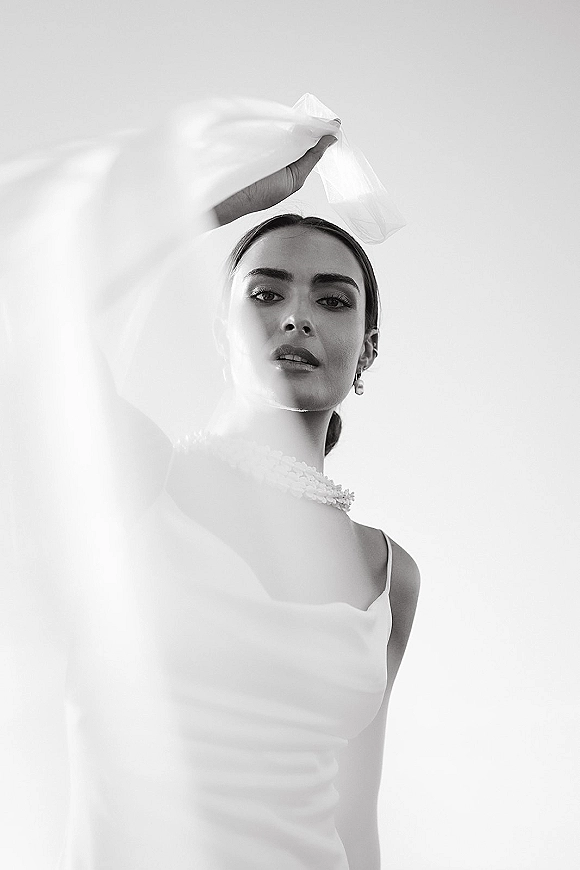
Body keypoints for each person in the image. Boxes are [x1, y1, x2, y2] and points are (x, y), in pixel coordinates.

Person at [2, 100, 420, 869]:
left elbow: (356, 823)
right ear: (220, 333)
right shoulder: (142, 476)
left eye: (333, 299)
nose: (297, 316)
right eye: (264, 293)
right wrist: (210, 206)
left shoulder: (389, 574)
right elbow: (24, 307)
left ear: (367, 348)